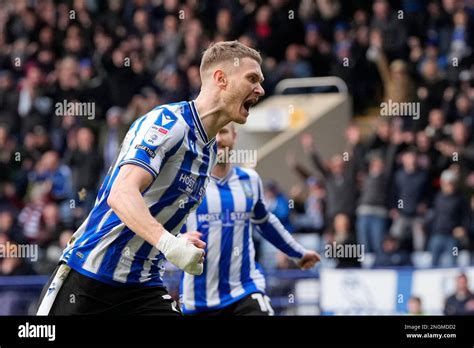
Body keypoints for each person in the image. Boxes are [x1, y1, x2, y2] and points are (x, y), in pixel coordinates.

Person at [37, 41, 265, 315]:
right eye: (252, 79)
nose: (260, 89)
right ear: (221, 78)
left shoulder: (210, 152)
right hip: (90, 277)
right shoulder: (168, 123)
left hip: (143, 287)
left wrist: (178, 237)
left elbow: (154, 205)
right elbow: (121, 195)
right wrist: (170, 244)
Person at [180, 123, 320, 315]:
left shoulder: (250, 180)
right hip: (198, 300)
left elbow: (266, 223)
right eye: (214, 133)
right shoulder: (187, 183)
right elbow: (158, 224)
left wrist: (298, 253)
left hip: (244, 291)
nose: (219, 139)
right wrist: (177, 240)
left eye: (224, 132)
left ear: (234, 136)